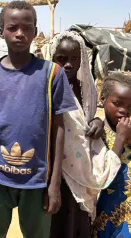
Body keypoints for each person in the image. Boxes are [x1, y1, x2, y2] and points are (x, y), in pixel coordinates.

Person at [0, 0, 77, 238]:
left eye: (27, 28)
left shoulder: (52, 74)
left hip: (38, 181)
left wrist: (54, 184)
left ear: (35, 31)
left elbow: (59, 129)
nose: (20, 33)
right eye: (12, 27)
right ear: (1, 33)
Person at [50, 32, 124, 238]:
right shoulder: (47, 87)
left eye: (74, 59)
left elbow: (87, 118)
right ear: (52, 58)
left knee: (77, 218)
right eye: (61, 59)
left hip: (83, 165)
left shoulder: (86, 88)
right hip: (55, 167)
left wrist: (98, 122)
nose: (68, 65)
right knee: (56, 221)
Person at [93, 72, 131, 237]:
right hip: (105, 212)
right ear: (102, 99)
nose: (124, 111)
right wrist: (120, 139)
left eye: (130, 106)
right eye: (117, 103)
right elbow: (102, 175)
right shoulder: (98, 134)